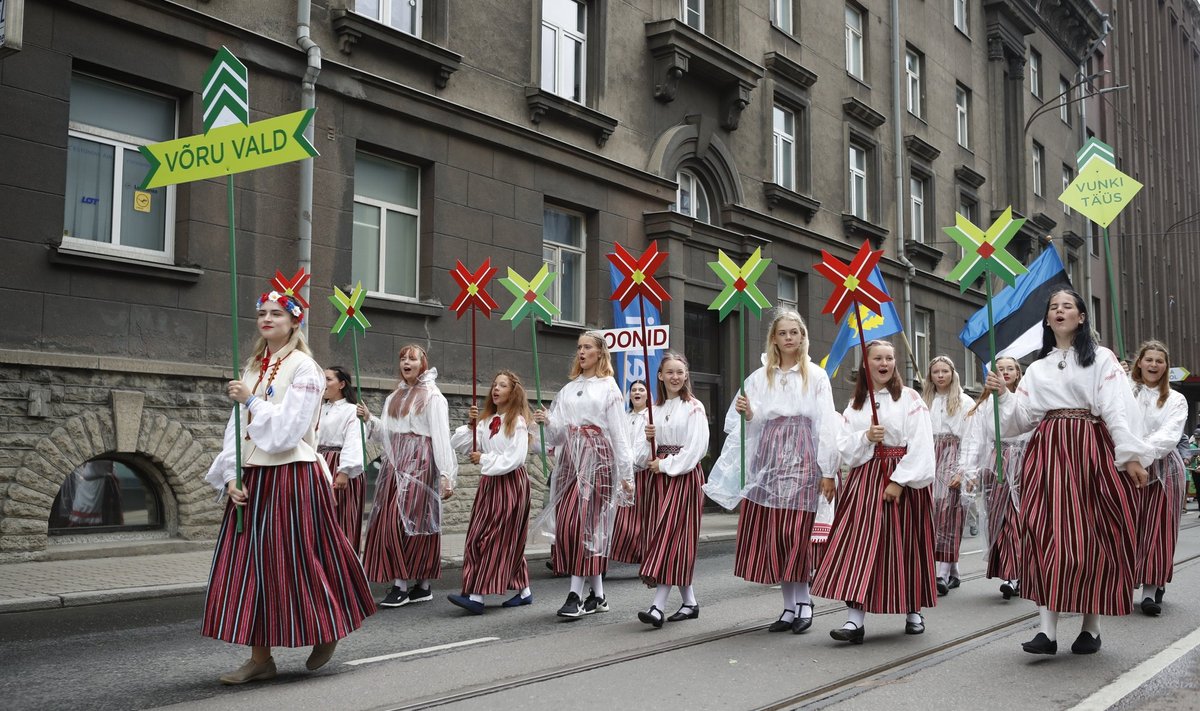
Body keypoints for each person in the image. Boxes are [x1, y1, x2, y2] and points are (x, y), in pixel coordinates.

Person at [202, 284, 375, 684]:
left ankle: (328, 624)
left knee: (295, 560)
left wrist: (250, 401)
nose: (266, 318)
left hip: (293, 476)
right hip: (254, 476)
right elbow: (236, 429)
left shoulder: (305, 369)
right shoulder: (251, 367)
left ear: (295, 321)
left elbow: (286, 432)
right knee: (249, 567)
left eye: (276, 313)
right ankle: (260, 658)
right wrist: (231, 474)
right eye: (262, 312)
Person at [987, 289, 1151, 656]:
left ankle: (1091, 628)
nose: (1059, 312)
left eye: (1068, 307)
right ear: (1047, 320)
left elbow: (1117, 410)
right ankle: (1047, 630)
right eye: (1053, 308)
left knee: (1091, 539)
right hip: (1047, 454)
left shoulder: (1102, 359)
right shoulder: (1038, 368)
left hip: (1091, 451)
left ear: (1081, 317)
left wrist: (1131, 455)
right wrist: (1003, 396)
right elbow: (1019, 421)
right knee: (1045, 534)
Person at [705, 310, 841, 635]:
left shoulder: (816, 376)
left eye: (795, 332)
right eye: (783, 333)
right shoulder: (758, 376)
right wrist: (749, 412)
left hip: (802, 453)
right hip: (771, 455)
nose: (790, 338)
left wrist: (828, 469)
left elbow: (826, 423)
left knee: (797, 530)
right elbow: (746, 424)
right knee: (778, 531)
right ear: (775, 338)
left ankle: (805, 602)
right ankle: (788, 606)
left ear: (803, 336)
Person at [813, 339, 936, 644]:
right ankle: (855, 620)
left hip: (901, 480)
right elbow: (845, 448)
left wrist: (899, 480)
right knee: (859, 546)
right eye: (877, 358)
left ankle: (913, 610)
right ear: (865, 365)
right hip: (865, 480)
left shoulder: (909, 398)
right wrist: (866, 437)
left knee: (904, 544)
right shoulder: (856, 404)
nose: (884, 363)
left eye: (889, 358)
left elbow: (921, 443)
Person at [532, 331, 634, 619]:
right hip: (571, 462)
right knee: (571, 524)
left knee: (584, 524)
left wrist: (626, 474)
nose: (581, 352)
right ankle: (598, 595)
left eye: (587, 347)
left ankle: (575, 594)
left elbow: (619, 433)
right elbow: (557, 435)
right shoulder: (568, 389)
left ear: (600, 352)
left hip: (598, 459)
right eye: (579, 347)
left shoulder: (609, 389)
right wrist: (547, 420)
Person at [360, 344, 458, 608]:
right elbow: (387, 434)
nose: (406, 362)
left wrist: (447, 473)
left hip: (420, 463)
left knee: (408, 521)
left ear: (422, 364)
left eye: (411, 359)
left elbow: (440, 435)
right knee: (391, 519)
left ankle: (405, 585)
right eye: (402, 358)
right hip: (396, 463)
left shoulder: (433, 396)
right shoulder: (395, 397)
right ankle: (418, 584)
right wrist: (370, 418)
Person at [447, 370, 534, 614]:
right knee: (482, 536)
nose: (496, 389)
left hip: (510, 484)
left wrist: (484, 458)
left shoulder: (517, 422)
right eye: (494, 384)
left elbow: (515, 458)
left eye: (502, 385)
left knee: (495, 538)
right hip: (489, 485)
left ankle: (477, 596)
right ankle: (524, 590)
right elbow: (459, 444)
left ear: (512, 391)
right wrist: (471, 424)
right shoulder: (487, 421)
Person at [635, 353, 709, 628]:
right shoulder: (654, 409)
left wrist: (667, 466)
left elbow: (696, 448)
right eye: (670, 372)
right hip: (660, 479)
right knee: (669, 537)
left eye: (680, 372)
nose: (675, 377)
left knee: (668, 536)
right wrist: (648, 440)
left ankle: (657, 606)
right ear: (660, 376)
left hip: (684, 477)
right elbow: (643, 453)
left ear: (686, 375)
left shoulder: (694, 407)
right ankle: (689, 602)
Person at [959, 356, 1029, 599]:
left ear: (1018, 374)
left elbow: (1029, 426)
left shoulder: (1024, 399)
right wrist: (970, 471)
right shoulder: (983, 406)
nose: (1005, 372)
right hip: (995, 465)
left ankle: (1017, 573)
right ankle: (1010, 571)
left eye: (1010, 368)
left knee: (1017, 518)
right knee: (998, 519)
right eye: (1000, 369)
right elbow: (976, 439)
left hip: (1021, 463)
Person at [1129, 340, 1188, 616]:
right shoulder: (1125, 393)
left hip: (1163, 468)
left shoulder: (1176, 399)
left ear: (1166, 367)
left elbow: (1169, 434)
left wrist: (1141, 452)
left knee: (1157, 529)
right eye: (1148, 359)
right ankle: (1123, 582)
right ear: (1139, 362)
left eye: (1159, 361)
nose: (1153, 365)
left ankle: (1151, 591)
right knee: (1129, 526)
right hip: (1127, 466)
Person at [921, 356, 974, 595]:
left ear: (952, 373)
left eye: (944, 371)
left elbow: (971, 437)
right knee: (932, 512)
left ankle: (941, 571)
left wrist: (963, 469)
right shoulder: (924, 401)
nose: (940, 376)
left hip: (952, 455)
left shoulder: (964, 401)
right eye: (936, 372)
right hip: (929, 455)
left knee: (948, 511)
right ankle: (952, 570)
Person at [317, 365, 366, 553]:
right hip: (320, 464)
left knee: (342, 517)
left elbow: (354, 440)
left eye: (328, 379)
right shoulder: (319, 409)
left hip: (338, 464)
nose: (324, 383)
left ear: (341, 384)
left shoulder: (351, 410)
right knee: (320, 518)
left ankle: (343, 564)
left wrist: (344, 471)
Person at [610, 380, 651, 566]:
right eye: (633, 389)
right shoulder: (624, 418)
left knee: (643, 519)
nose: (637, 392)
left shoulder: (651, 417)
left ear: (647, 395)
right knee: (621, 519)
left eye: (641, 389)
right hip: (625, 475)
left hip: (644, 474)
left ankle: (646, 558)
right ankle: (607, 560)